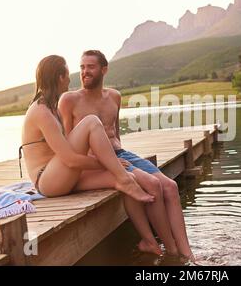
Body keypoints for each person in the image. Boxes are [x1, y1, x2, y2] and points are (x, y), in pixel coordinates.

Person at [58, 50, 195, 261]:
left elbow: (115, 134)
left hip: (121, 153)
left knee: (171, 186)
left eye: (90, 67)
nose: (85, 72)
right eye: (82, 67)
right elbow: (69, 144)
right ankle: (171, 251)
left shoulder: (114, 96)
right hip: (98, 160)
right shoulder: (69, 100)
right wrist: (104, 164)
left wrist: (125, 160)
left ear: (104, 70)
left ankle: (187, 252)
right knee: (152, 184)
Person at [20, 54, 154, 205]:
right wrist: (108, 163)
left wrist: (110, 165)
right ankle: (123, 177)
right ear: (60, 77)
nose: (70, 80)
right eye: (68, 75)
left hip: (62, 174)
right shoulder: (41, 111)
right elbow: (70, 160)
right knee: (91, 121)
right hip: (48, 181)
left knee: (127, 179)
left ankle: (144, 225)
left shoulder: (51, 108)